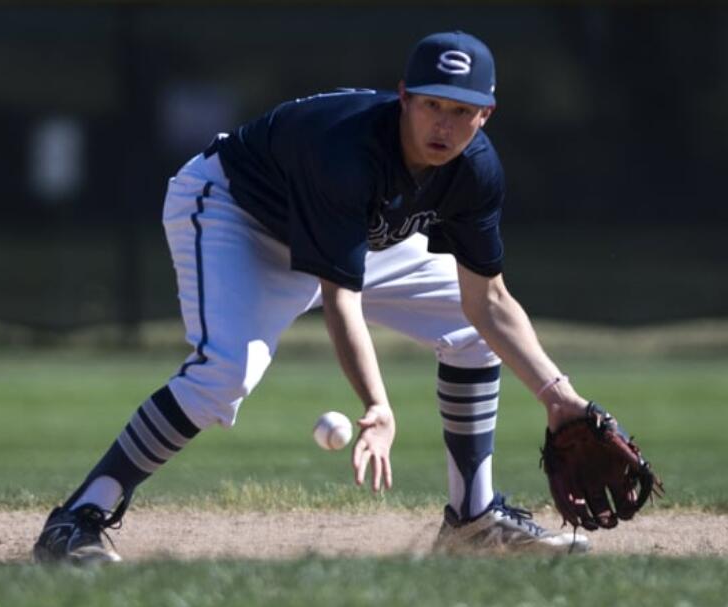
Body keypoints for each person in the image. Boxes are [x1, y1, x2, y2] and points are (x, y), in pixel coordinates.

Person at [33, 30, 598, 564]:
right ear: (403, 98)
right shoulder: (346, 153)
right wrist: (376, 404)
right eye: (430, 104)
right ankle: (78, 518)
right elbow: (340, 298)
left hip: (355, 234)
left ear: (485, 114)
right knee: (225, 373)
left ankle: (473, 521)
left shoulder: (475, 170)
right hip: (238, 215)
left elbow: (490, 301)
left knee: (471, 330)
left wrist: (559, 397)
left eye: (459, 111)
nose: (442, 125)